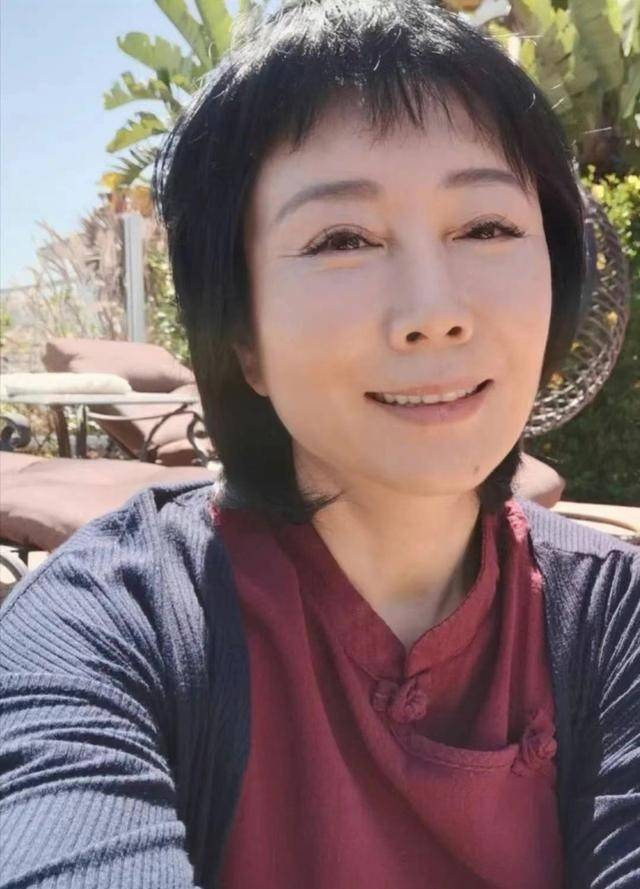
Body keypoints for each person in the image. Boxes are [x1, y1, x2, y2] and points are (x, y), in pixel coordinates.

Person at [1, 2, 638, 887]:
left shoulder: (613, 620)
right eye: (342, 239)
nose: (433, 312)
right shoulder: (110, 629)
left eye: (485, 227)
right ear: (242, 336)